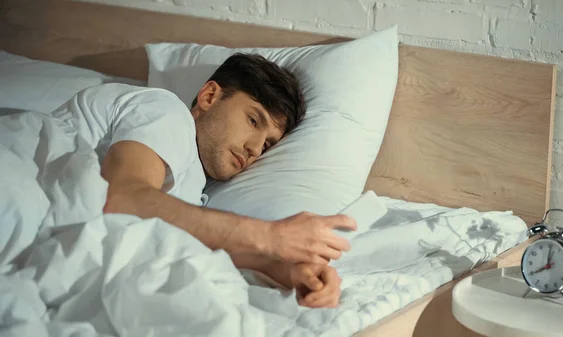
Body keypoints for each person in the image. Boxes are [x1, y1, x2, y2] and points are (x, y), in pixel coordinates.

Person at [53, 53, 356, 308]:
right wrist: (270, 236)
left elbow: (191, 234)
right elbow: (122, 199)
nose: (254, 148)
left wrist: (292, 271)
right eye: (253, 121)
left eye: (266, 145)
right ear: (209, 96)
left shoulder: (190, 185)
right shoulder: (165, 111)